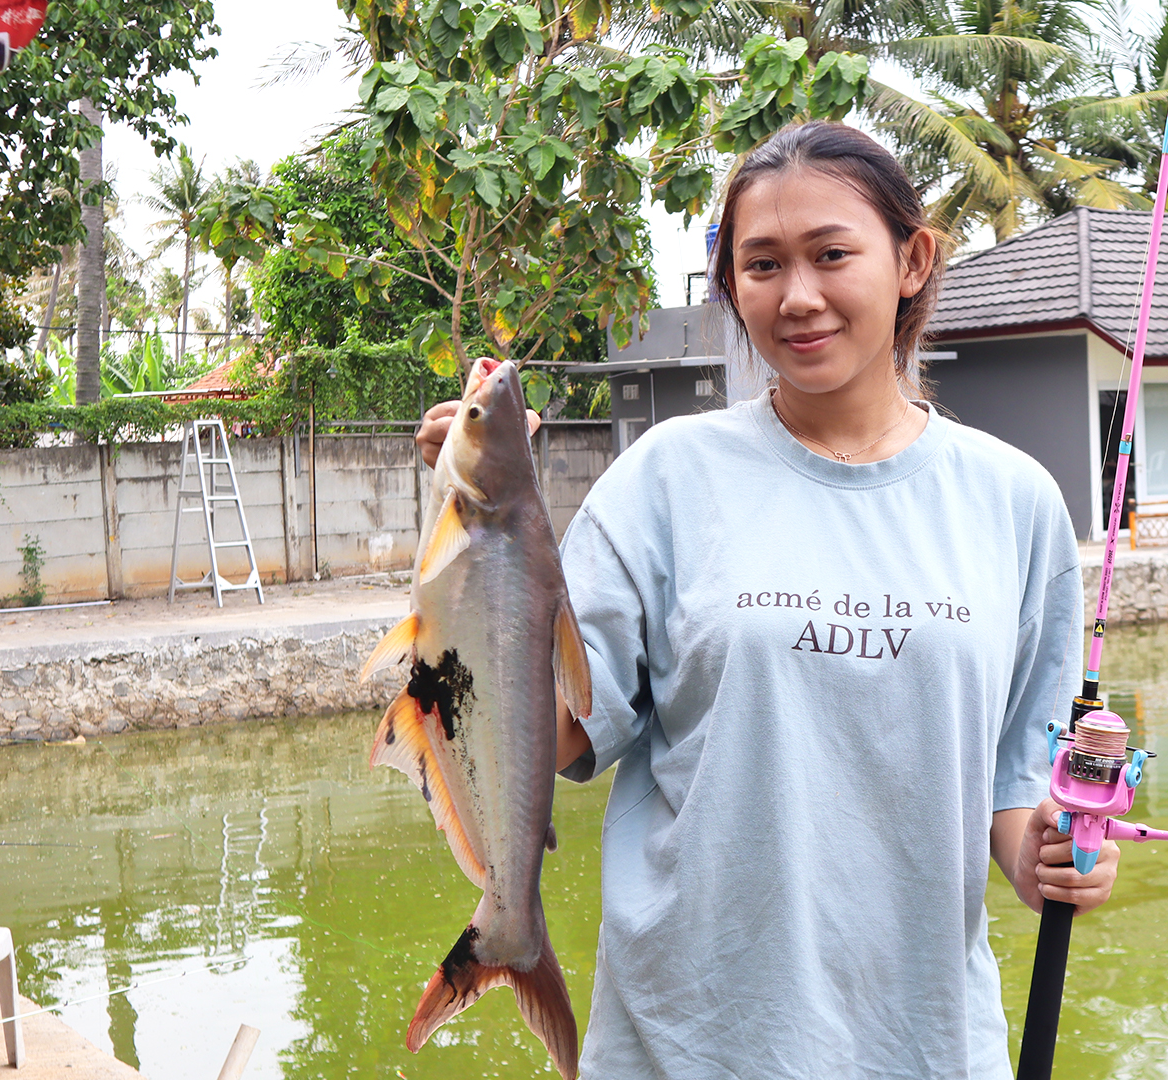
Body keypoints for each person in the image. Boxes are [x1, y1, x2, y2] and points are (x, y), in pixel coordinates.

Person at [414, 121, 1119, 1079]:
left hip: (925, 1044)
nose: (798, 297)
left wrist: (1050, 857)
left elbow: (1012, 790)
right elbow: (566, 731)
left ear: (912, 259)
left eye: (832, 254)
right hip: (691, 1042)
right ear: (729, 285)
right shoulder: (665, 477)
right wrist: (491, 540)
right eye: (761, 265)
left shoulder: (1017, 502)